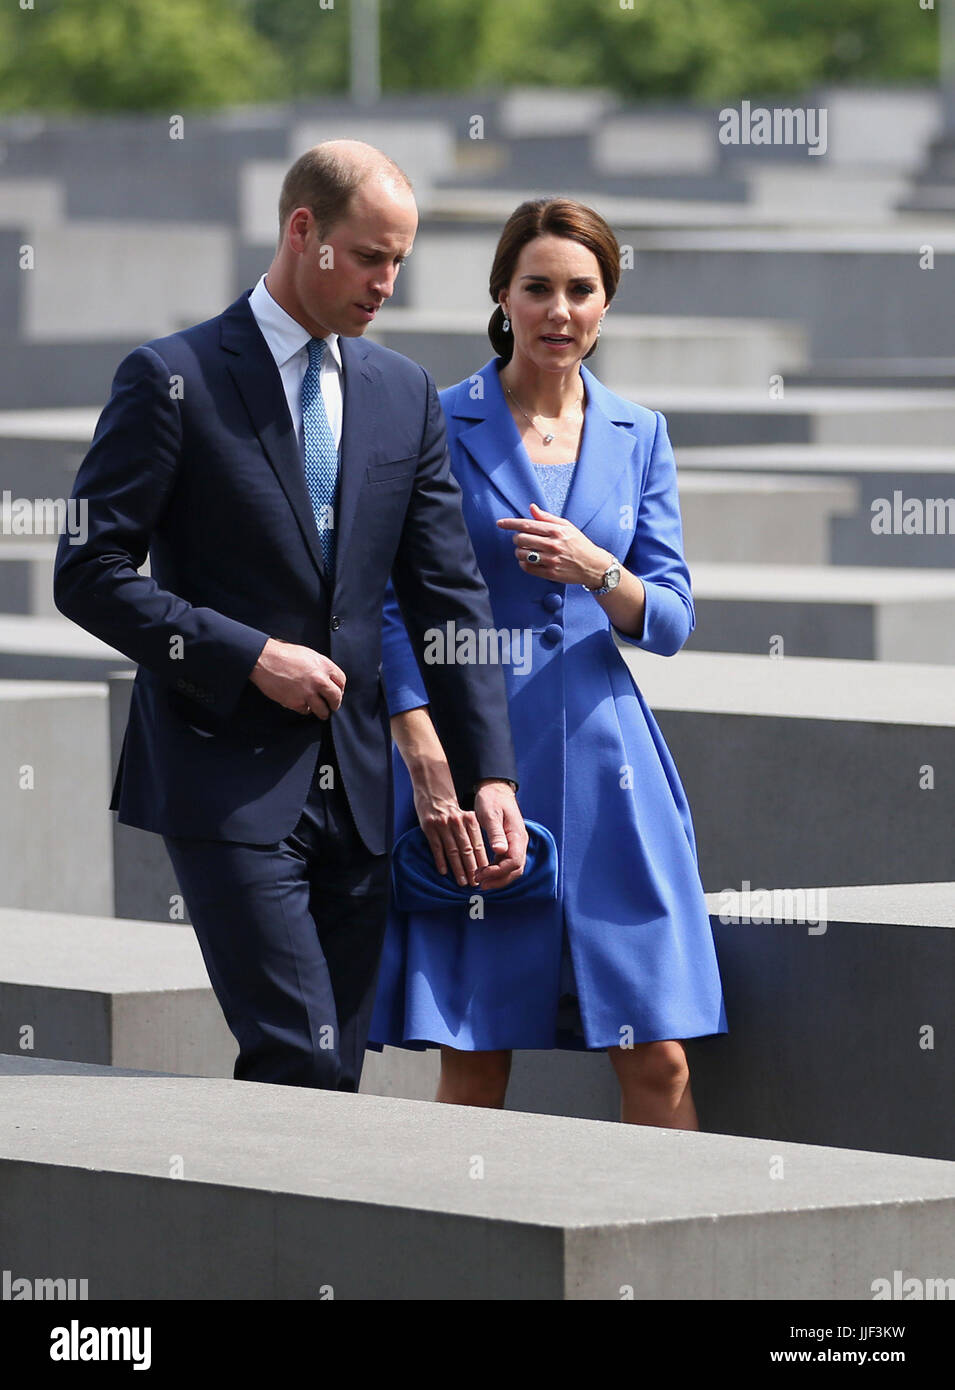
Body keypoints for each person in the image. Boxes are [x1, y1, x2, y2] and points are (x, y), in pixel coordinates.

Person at [53, 140, 527, 1095]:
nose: (386, 283)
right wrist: (247, 655)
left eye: (399, 261)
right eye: (367, 257)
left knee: (335, 1073)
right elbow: (88, 570)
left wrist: (489, 773)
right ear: (302, 231)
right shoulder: (169, 377)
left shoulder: (402, 395)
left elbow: (448, 598)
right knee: (299, 1054)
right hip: (222, 779)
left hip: (358, 795)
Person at [370, 197, 727, 1127]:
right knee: (476, 1062)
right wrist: (421, 742)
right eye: (538, 289)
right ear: (501, 296)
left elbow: (671, 618)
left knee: (657, 1059)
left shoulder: (639, 433)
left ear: (606, 305)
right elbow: (384, 603)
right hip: (478, 762)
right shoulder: (434, 420)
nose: (559, 310)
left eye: (581, 290)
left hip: (613, 773)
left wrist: (595, 567)